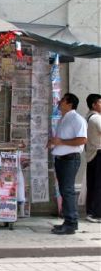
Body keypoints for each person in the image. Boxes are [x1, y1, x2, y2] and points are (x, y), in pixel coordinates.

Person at [48, 93, 87, 235]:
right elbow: (62, 139)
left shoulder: (77, 119)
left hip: (70, 159)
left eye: (63, 100)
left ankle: (71, 223)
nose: (59, 102)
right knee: (65, 191)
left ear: (70, 104)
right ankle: (68, 221)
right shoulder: (64, 118)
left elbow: (82, 140)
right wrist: (54, 142)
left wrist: (61, 142)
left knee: (68, 191)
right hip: (61, 159)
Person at [85, 94, 101, 223]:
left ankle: (91, 212)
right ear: (94, 105)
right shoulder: (96, 118)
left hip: (92, 154)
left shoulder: (89, 116)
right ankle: (96, 213)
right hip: (98, 153)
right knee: (97, 185)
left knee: (93, 184)